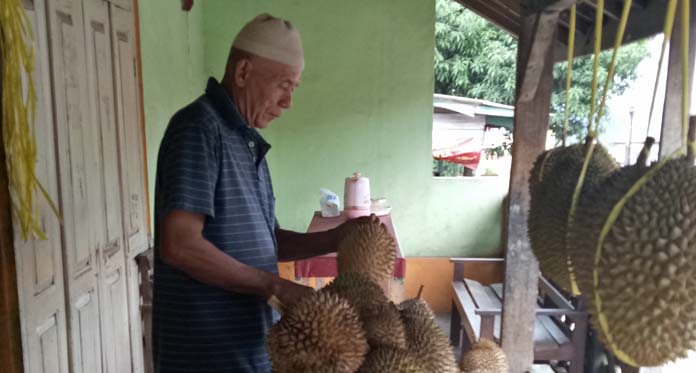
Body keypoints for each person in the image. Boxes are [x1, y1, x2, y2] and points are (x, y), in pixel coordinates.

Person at [152, 13, 362, 372]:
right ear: (244, 72)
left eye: (293, 89)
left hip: (246, 351)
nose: (288, 102)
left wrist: (336, 238)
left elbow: (269, 242)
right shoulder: (198, 130)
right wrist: (273, 285)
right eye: (283, 85)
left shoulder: (247, 143)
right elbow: (180, 244)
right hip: (204, 357)